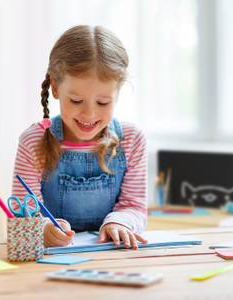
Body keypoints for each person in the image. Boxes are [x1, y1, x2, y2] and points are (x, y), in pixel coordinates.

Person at [11, 25, 148, 250]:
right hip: (51, 264)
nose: (89, 114)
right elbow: (23, 214)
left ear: (117, 94)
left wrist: (120, 222)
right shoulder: (33, 141)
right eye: (76, 100)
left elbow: (135, 207)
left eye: (103, 103)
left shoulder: (131, 140)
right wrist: (42, 229)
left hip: (113, 258)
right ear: (55, 88)